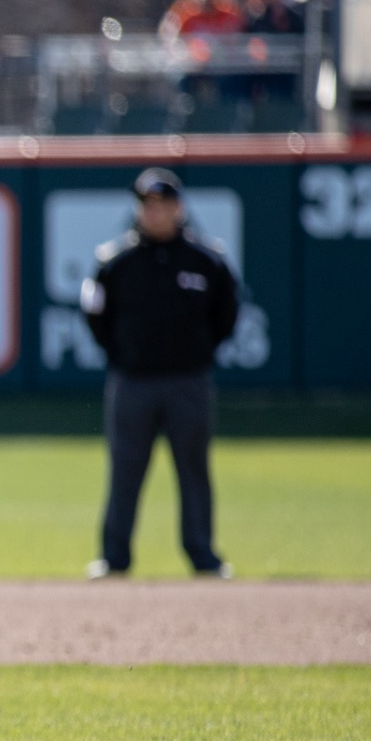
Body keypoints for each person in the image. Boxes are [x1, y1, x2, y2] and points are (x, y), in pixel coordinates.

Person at [81, 168, 239, 580]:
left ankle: (203, 554)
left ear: (178, 208)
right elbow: (96, 316)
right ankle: (114, 557)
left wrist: (198, 352)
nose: (155, 213)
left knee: (193, 469)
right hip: (132, 382)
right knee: (125, 470)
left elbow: (227, 316)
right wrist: (122, 355)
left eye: (163, 205)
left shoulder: (206, 261)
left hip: (188, 381)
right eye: (147, 206)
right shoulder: (116, 262)